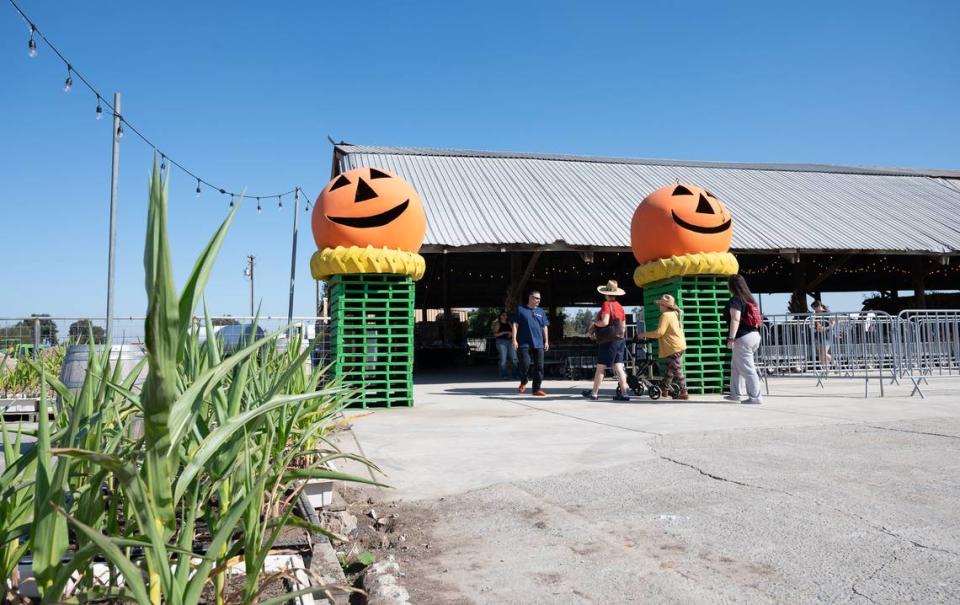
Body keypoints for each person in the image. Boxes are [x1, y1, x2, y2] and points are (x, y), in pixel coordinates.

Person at [582, 280, 631, 401]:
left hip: (608, 341)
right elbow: (623, 326)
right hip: (620, 339)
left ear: (605, 293)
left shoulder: (606, 304)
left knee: (600, 367)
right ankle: (624, 394)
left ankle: (594, 393)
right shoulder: (620, 307)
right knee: (619, 366)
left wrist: (594, 324)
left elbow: (604, 322)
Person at [639, 294, 689, 401]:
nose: (659, 307)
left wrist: (643, 334)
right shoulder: (675, 313)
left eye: (661, 305)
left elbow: (659, 333)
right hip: (678, 344)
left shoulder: (666, 315)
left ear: (665, 306)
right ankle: (665, 389)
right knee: (669, 369)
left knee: (677, 369)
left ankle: (684, 392)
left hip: (673, 346)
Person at [725, 274, 762, 404]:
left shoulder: (736, 299)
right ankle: (735, 393)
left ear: (731, 286)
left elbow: (735, 318)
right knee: (736, 366)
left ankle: (755, 397)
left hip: (742, 337)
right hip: (754, 335)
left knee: (747, 368)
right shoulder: (750, 299)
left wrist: (731, 338)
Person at [511, 291, 550, 396]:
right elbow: (515, 324)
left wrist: (546, 341)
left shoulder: (541, 311)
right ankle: (524, 381)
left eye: (539, 299)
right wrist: (514, 339)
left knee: (540, 367)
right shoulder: (521, 309)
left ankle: (536, 389)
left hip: (538, 343)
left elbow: (544, 326)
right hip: (523, 342)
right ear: (530, 298)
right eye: (536, 298)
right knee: (524, 364)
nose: (538, 300)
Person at [491, 311, 518, 379]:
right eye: (503, 315)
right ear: (500, 316)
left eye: (506, 315)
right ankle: (504, 375)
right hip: (501, 342)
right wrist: (505, 332)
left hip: (510, 341)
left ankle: (516, 374)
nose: (505, 316)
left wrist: (511, 334)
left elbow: (514, 331)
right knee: (503, 359)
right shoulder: (498, 324)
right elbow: (495, 334)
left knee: (514, 358)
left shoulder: (509, 323)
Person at [811, 300, 835, 366]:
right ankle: (825, 368)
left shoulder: (827, 312)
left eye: (814, 308)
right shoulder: (816, 314)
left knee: (824, 353)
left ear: (819, 306)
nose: (814, 309)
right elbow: (816, 324)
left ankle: (835, 363)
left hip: (827, 335)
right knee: (820, 354)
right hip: (818, 335)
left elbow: (833, 323)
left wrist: (825, 328)